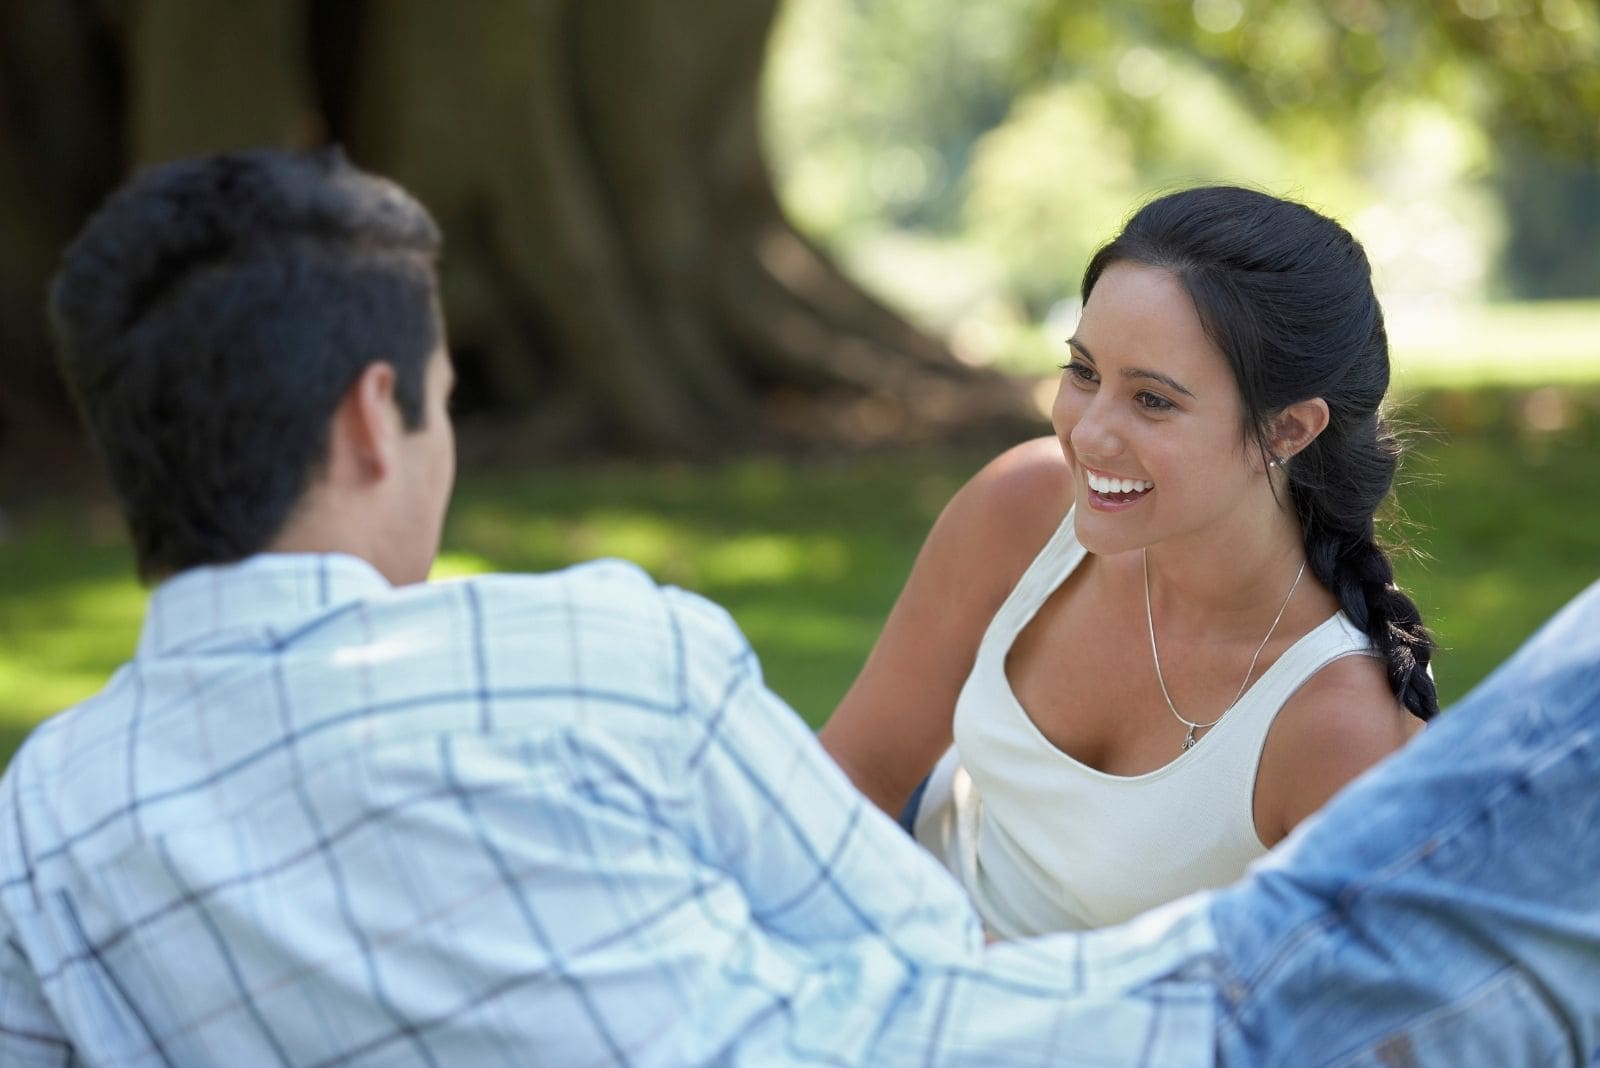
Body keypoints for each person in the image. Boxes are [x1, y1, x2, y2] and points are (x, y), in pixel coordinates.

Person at [0, 148, 1596, 1067]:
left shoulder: (44, 828)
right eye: (437, 402)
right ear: (370, 423)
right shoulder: (595, 648)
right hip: (1093, 1026)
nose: (1092, 428)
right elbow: (908, 948)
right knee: (1510, 819)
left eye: (1152, 398)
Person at [822, 186, 1439, 937]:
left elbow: (1309, 1029)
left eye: (1152, 400)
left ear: (1288, 429)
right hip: (896, 927)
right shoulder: (1024, 506)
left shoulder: (1339, 727)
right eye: (1084, 372)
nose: (1088, 435)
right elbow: (850, 779)